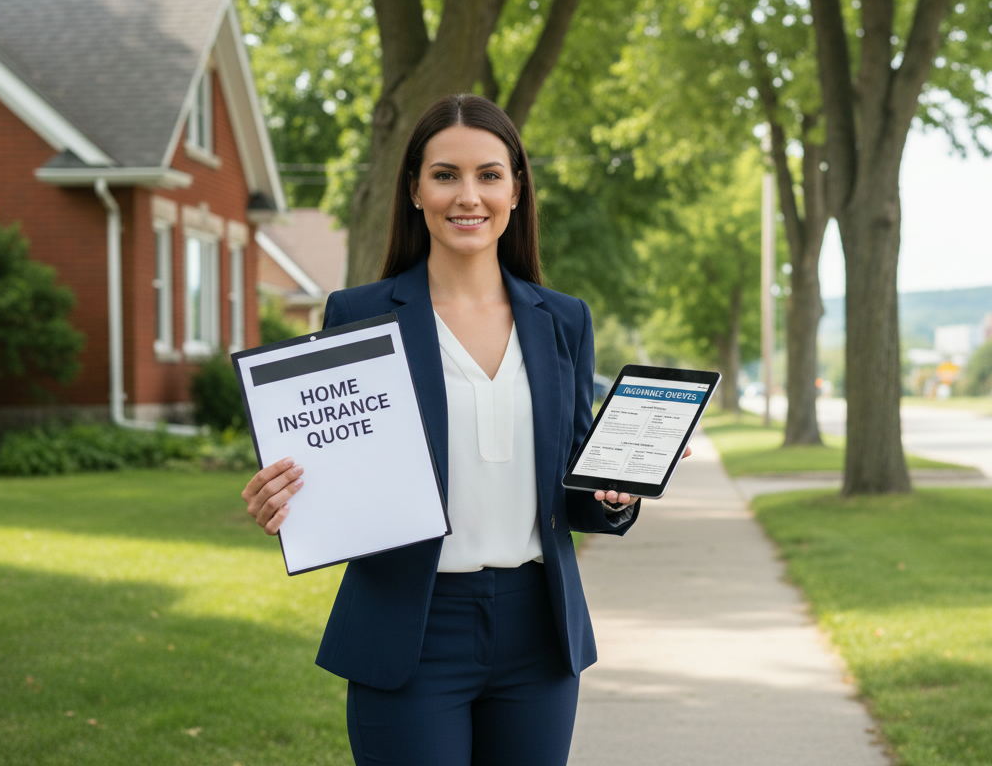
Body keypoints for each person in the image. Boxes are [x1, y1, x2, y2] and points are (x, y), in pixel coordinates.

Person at [239, 93, 689, 765]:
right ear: (415, 190)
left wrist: (610, 493)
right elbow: (337, 463)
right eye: (445, 174)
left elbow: (568, 481)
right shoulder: (361, 315)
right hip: (410, 628)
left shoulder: (563, 320)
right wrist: (289, 497)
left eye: (489, 174)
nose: (467, 196)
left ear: (515, 190)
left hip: (538, 632)